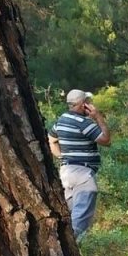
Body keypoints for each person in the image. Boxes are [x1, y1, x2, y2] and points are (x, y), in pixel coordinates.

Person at [48, 89, 112, 239]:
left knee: (70, 216)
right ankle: (70, 246)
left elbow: (51, 140)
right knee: (80, 221)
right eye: (88, 102)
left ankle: (62, 245)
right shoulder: (84, 123)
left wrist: (62, 157)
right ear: (84, 105)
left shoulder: (61, 120)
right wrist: (98, 117)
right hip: (82, 174)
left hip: (66, 173)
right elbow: (106, 140)